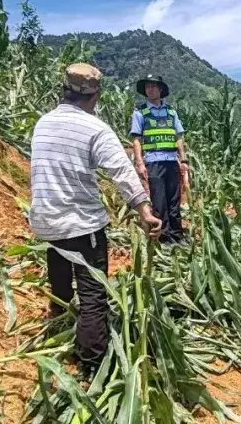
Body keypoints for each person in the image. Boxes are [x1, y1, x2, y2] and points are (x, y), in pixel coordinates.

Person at [31, 63, 163, 376]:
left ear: (63, 90)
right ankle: (91, 364)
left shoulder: (43, 123)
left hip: (46, 220)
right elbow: (121, 171)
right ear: (96, 96)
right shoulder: (95, 128)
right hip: (81, 221)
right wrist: (144, 209)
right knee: (92, 294)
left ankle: (59, 322)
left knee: (60, 277)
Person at [130, 75, 188, 244]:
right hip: (153, 162)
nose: (150, 89)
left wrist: (183, 160)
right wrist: (139, 162)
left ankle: (178, 236)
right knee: (159, 202)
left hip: (171, 161)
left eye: (154, 86)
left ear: (160, 90)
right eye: (148, 87)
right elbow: (136, 139)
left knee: (174, 201)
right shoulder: (141, 112)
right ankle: (164, 239)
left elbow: (178, 137)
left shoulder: (171, 112)